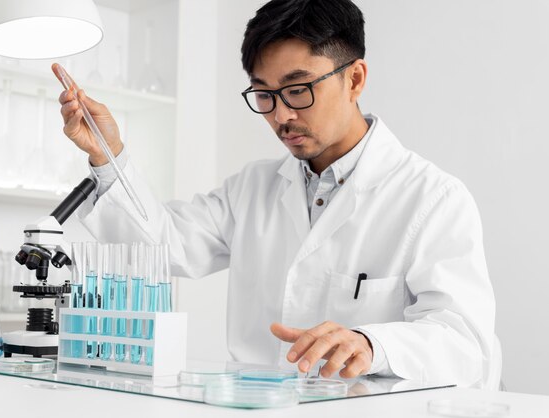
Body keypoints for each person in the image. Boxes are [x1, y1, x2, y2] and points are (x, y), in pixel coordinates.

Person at [57, 0, 497, 387]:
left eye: (299, 89)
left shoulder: (432, 198)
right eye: (264, 94)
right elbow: (161, 247)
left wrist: (371, 342)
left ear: (355, 79)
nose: (281, 114)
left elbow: (465, 343)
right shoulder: (253, 187)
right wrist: (107, 153)